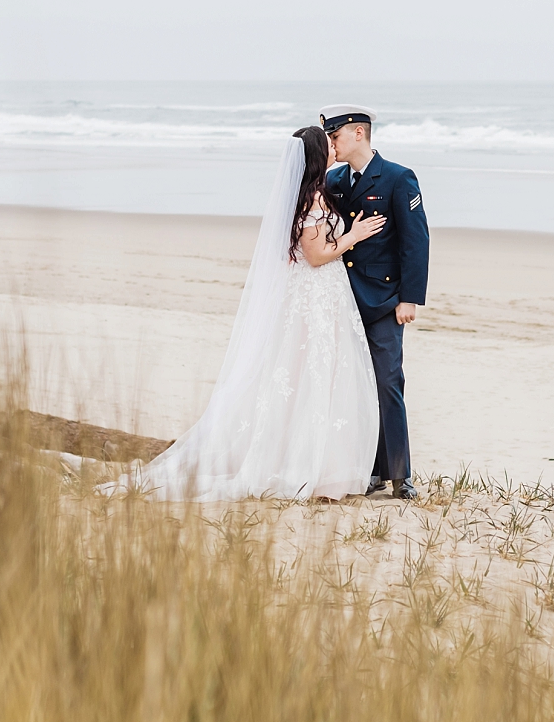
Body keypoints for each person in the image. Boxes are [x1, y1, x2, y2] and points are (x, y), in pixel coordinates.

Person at [116, 126, 383, 500]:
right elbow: (316, 255)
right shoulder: (308, 201)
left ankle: (322, 468)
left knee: (322, 375)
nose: (334, 148)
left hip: (325, 296)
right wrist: (354, 235)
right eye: (328, 145)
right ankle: (300, 468)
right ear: (315, 157)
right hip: (312, 296)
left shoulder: (320, 192)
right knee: (308, 375)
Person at [320, 107, 429, 500]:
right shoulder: (333, 179)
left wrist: (410, 299)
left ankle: (400, 475)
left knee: (388, 383)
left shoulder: (399, 178)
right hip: (342, 298)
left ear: (359, 134)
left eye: (336, 137)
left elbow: (416, 241)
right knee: (355, 387)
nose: (332, 143)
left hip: (384, 300)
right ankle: (369, 471)